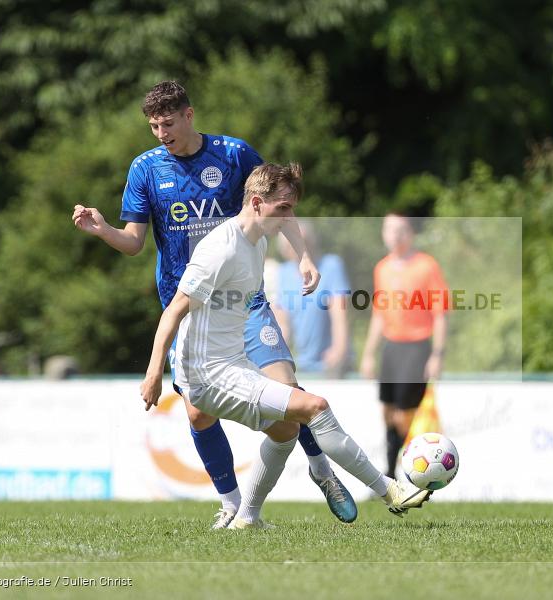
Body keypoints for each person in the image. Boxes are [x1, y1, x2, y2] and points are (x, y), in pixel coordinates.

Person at [71, 81, 357, 526]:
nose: (160, 132)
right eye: (153, 125)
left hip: (245, 297)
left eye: (167, 123)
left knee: (285, 384)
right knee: (199, 412)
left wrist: (303, 255)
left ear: (189, 115)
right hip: (190, 305)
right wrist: (102, 229)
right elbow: (133, 243)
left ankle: (321, 467)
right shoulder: (145, 168)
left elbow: (281, 203)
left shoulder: (234, 154)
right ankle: (231, 504)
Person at [140, 162, 432, 528]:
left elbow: (287, 222)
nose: (289, 217)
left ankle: (247, 518)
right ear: (257, 203)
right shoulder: (220, 249)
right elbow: (174, 311)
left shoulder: (257, 239)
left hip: (230, 362)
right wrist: (154, 374)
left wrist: (305, 256)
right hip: (207, 373)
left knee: (286, 432)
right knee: (315, 406)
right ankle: (389, 489)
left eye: (292, 208)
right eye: (283, 209)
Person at [359, 214, 448, 478]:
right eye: (389, 229)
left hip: (416, 347)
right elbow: (379, 314)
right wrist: (368, 354)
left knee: (404, 416)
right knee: (387, 412)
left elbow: (440, 313)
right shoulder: (382, 268)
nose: (394, 235)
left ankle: (409, 473)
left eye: (400, 230)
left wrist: (437, 354)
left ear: (410, 233)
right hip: (391, 348)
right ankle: (389, 476)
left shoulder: (426, 266)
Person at [274, 222, 352, 378]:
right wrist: (276, 357)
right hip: (302, 364)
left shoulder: (331, 266)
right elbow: (283, 325)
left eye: (304, 241)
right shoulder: (283, 273)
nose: (300, 247)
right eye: (292, 242)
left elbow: (340, 316)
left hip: (333, 365)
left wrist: (339, 349)